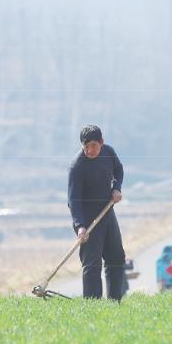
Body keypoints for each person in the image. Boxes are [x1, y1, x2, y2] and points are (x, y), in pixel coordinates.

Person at [68, 125, 126, 300]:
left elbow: (119, 170)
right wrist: (80, 226)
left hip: (107, 212)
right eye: (85, 146)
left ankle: (114, 301)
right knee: (92, 265)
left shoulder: (109, 153)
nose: (89, 150)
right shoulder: (77, 167)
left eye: (93, 145)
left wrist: (116, 188)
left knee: (116, 257)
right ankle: (93, 305)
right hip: (87, 219)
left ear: (102, 142)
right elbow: (73, 200)